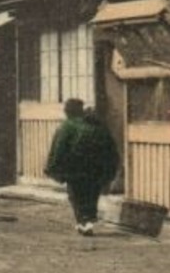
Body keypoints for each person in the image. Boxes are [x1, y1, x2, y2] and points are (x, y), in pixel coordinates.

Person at [44, 98, 119, 234]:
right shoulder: (97, 125)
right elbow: (111, 148)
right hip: (96, 168)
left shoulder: (67, 125)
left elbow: (59, 148)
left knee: (76, 195)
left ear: (68, 111)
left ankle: (82, 221)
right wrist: (109, 170)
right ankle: (89, 220)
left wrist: (53, 167)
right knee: (92, 194)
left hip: (75, 168)